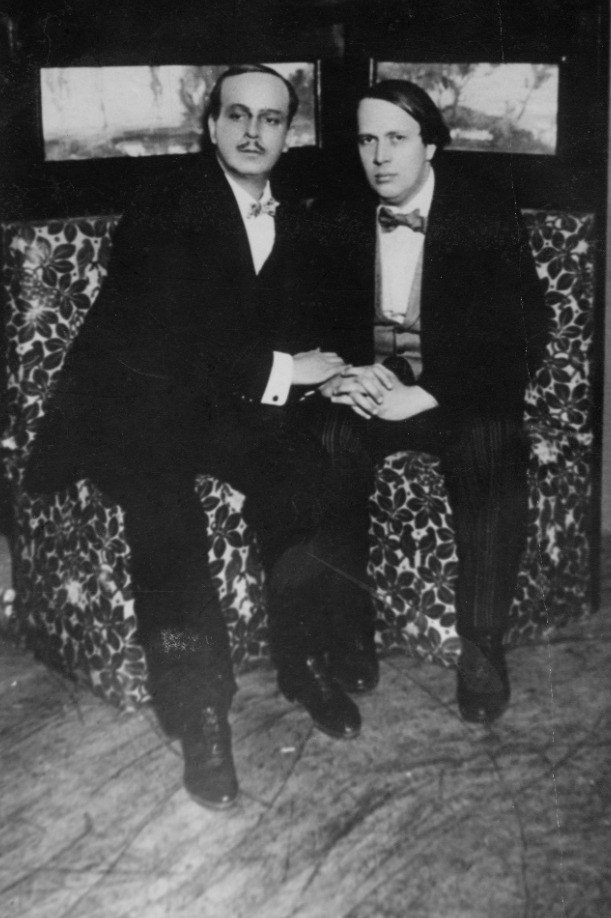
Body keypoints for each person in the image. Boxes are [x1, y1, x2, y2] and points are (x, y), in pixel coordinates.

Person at [24, 64, 378, 810]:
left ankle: (302, 661)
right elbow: (166, 339)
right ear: (211, 125)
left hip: (219, 406)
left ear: (287, 135)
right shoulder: (167, 201)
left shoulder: (293, 213)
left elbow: (304, 320)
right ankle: (199, 711)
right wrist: (287, 369)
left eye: (271, 119)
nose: (253, 131)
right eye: (237, 115)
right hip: (132, 407)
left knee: (299, 469)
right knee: (165, 511)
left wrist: (330, 373)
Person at [315, 79, 548, 724]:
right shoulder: (336, 212)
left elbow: (524, 335)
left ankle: (482, 645)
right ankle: (349, 631)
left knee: (491, 441)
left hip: (455, 390)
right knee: (328, 438)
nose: (380, 156)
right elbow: (304, 316)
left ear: (431, 146)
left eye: (397, 138)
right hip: (372, 385)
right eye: (367, 139)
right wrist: (340, 377)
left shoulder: (483, 213)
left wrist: (427, 393)